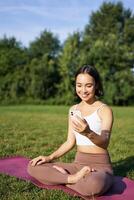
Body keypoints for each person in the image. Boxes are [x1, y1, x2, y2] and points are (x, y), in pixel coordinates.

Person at [27, 65, 114, 198]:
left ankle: (63, 179)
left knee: (95, 184)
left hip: (100, 166)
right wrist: (49, 157)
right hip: (78, 164)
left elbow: (105, 142)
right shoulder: (73, 109)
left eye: (88, 85)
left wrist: (88, 132)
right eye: (79, 85)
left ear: (96, 85)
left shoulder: (104, 110)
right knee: (32, 167)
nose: (83, 90)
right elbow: (70, 141)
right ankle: (72, 179)